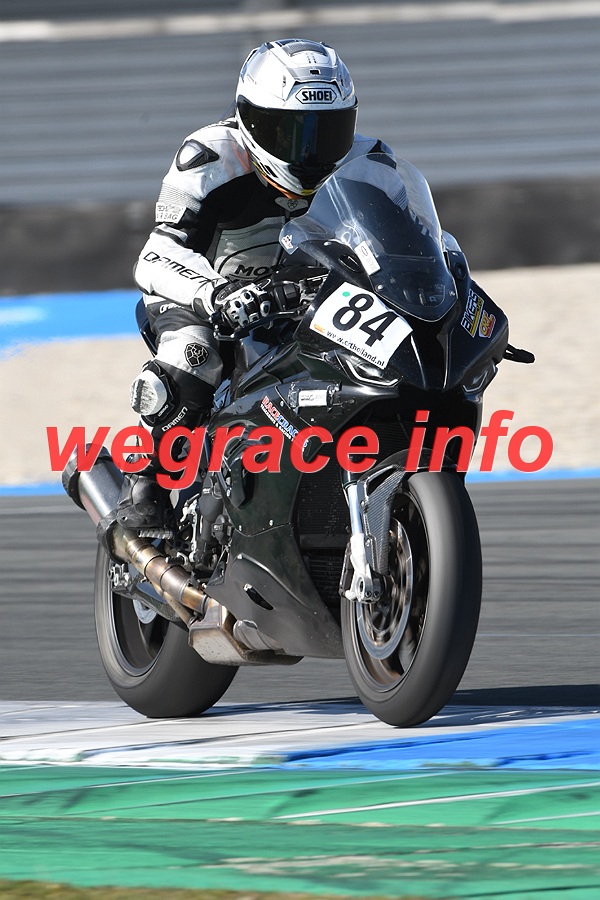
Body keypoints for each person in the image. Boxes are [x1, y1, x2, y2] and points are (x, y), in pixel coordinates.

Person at [116, 38, 393, 533]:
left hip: (311, 301)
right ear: (250, 119)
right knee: (194, 355)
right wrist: (215, 294)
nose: (310, 152)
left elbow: (412, 242)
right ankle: (146, 488)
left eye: (327, 132)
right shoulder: (210, 156)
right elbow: (156, 254)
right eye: (290, 132)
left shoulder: (370, 161)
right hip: (207, 297)